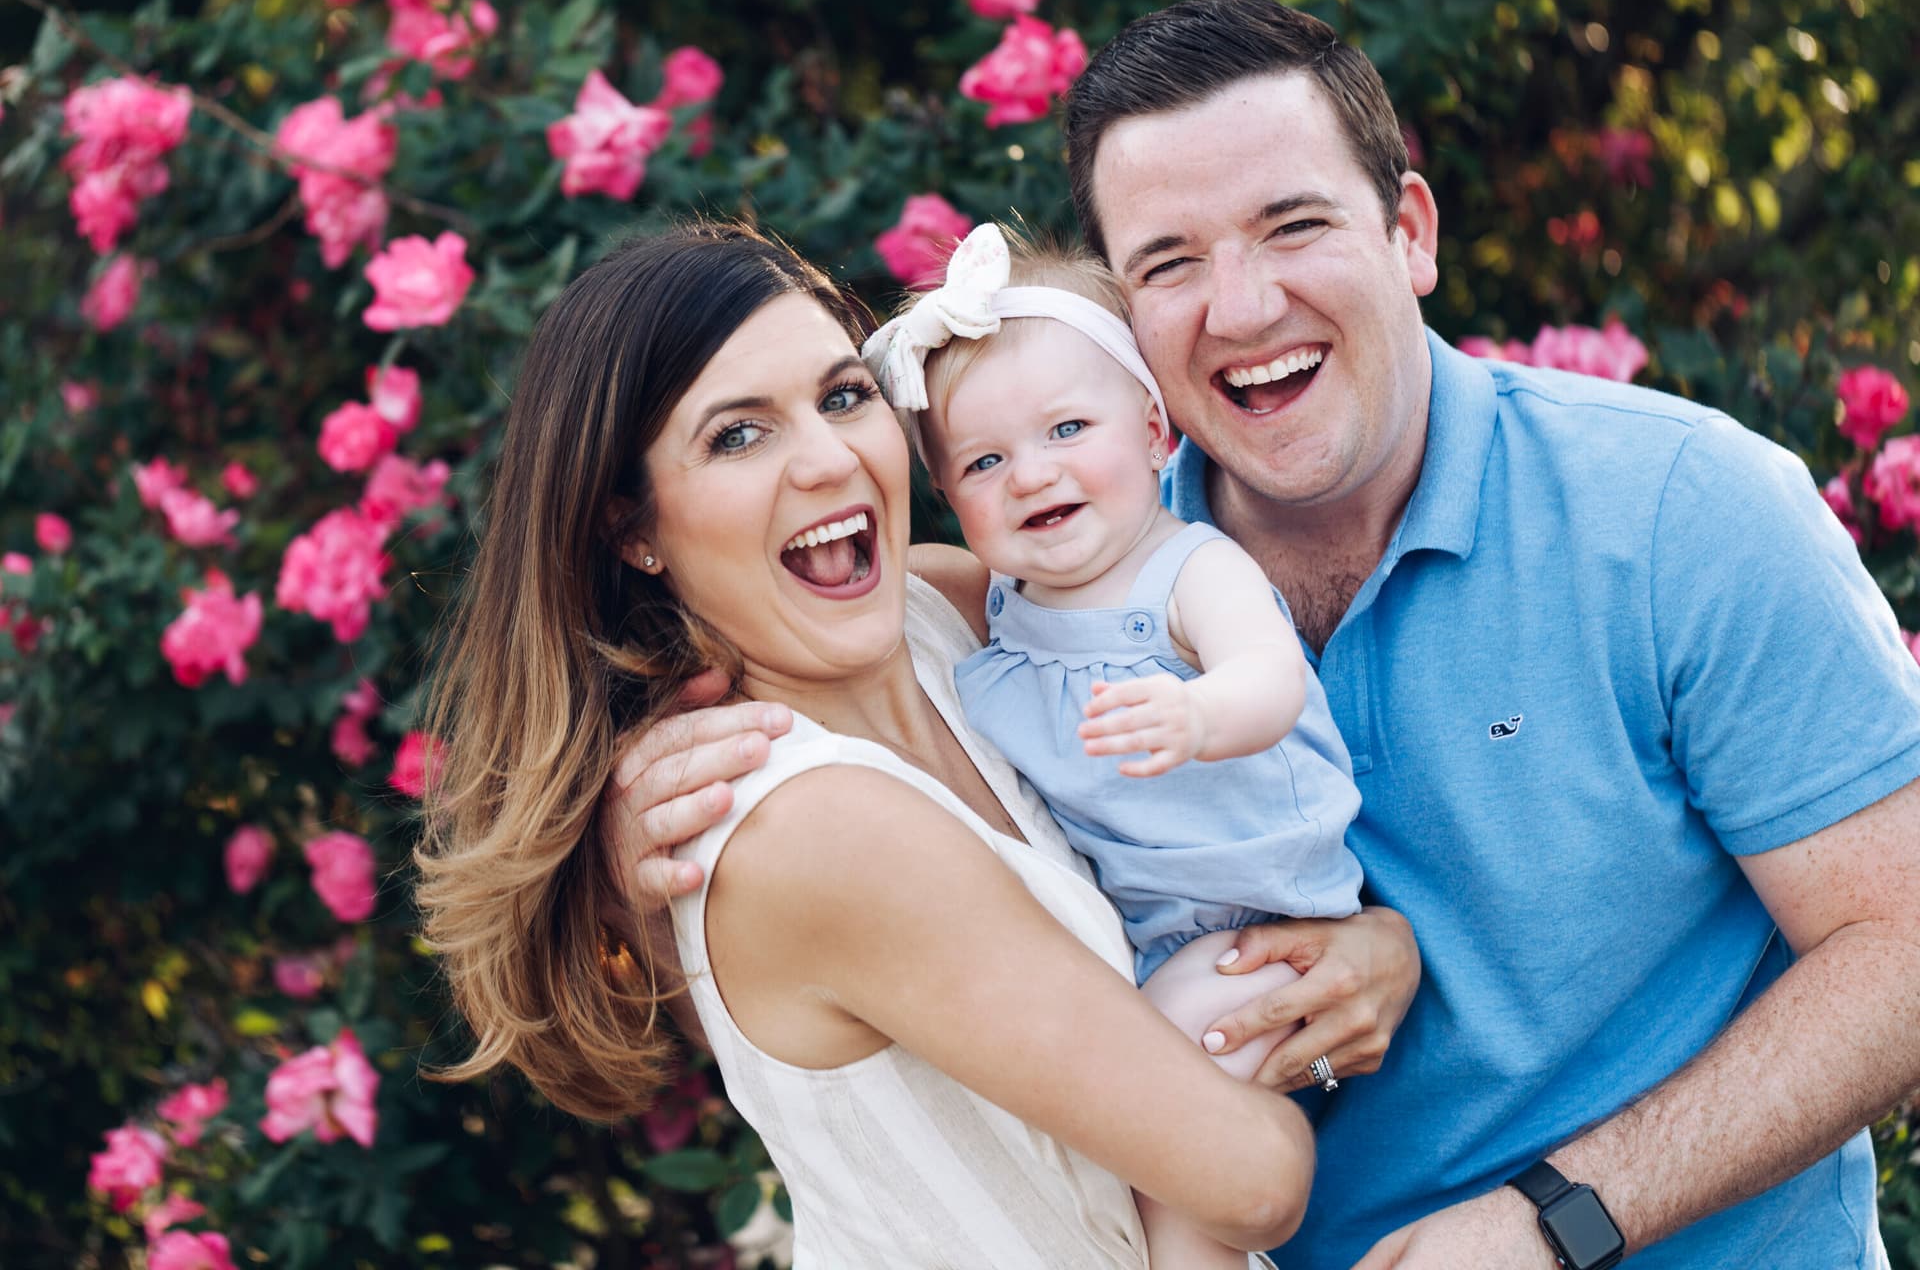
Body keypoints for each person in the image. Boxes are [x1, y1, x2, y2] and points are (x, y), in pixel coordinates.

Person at [617, 0, 1920, 1269]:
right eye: (1171, 262)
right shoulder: (1066, 564)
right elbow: (806, 614)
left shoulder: (1679, 512)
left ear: (1409, 231)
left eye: (1291, 225)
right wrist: (627, 807)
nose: (1239, 308)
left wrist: (1560, 1218)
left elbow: (1902, 950)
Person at [414, 221, 1421, 1268]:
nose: (826, 457)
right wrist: (1269, 1008)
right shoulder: (814, 824)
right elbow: (1252, 1178)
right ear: (634, 528)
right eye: (737, 435)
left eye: (844, 396)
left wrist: (1370, 950)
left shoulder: (947, 612)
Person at [863, 219, 1367, 1269]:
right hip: (1145, 928)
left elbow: (1270, 678)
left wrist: (1198, 714)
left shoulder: (1186, 569)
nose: (1031, 474)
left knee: (1175, 1133)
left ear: (1154, 430)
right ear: (953, 500)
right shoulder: (1002, 605)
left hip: (1254, 914)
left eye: (1066, 429)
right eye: (985, 460)